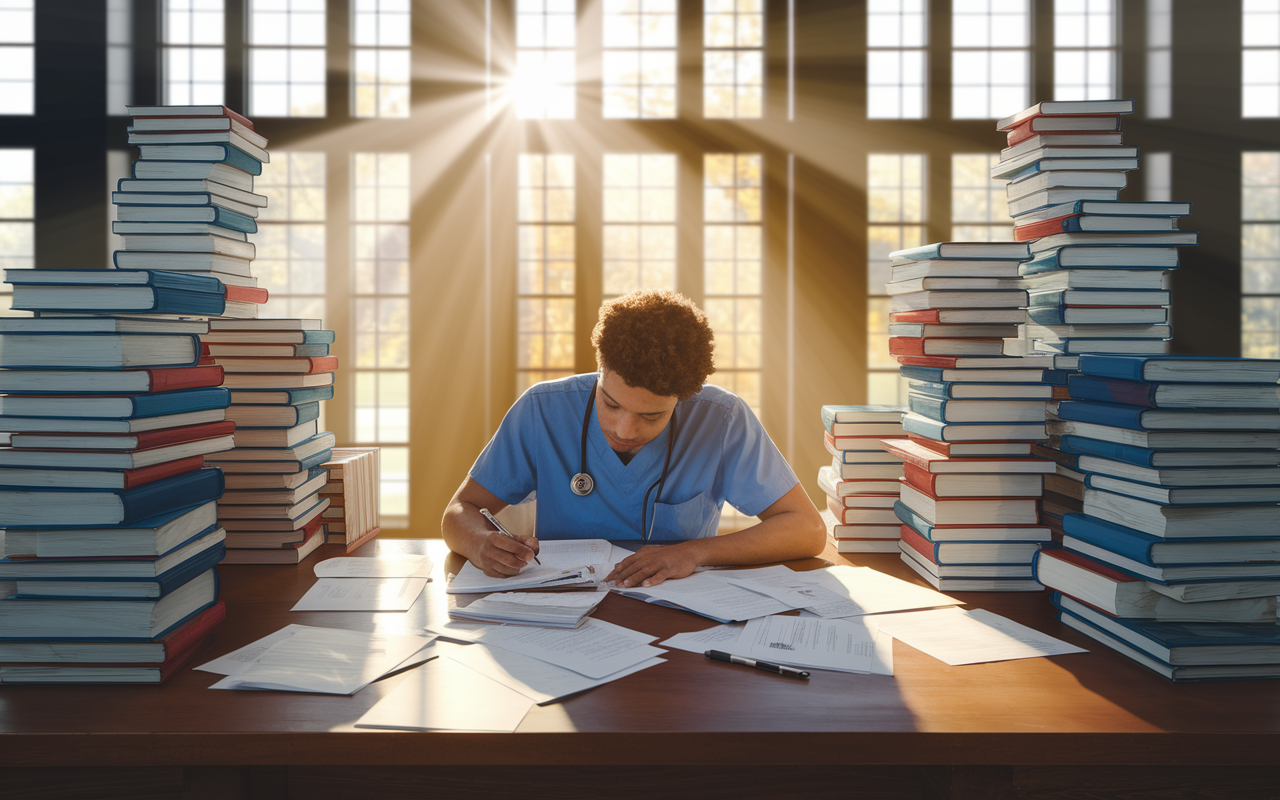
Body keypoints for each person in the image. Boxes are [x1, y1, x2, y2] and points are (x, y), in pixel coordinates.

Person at [441, 289, 826, 588]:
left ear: (685, 398)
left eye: (651, 415)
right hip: (563, 612)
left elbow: (807, 531)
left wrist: (694, 552)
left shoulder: (722, 419)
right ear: (600, 370)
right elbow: (460, 512)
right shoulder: (542, 410)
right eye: (610, 404)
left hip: (678, 617)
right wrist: (479, 543)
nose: (624, 431)